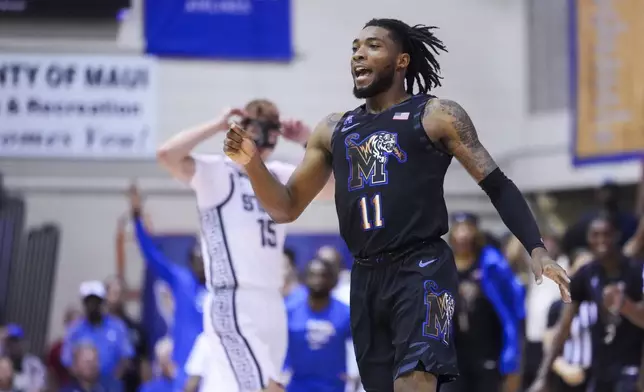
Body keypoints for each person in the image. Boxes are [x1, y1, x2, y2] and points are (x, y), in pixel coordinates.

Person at [223, 18, 570, 392]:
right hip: (366, 276)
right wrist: (251, 164)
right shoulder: (333, 130)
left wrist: (536, 247)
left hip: (422, 268)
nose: (358, 53)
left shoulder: (436, 115)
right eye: (355, 47)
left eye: (372, 45)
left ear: (401, 60)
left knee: (414, 384)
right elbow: (285, 208)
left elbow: (497, 185)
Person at [157, 99, 331, 392]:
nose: (268, 138)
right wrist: (218, 124)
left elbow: (334, 188)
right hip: (233, 298)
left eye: (273, 131)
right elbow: (167, 155)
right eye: (261, 128)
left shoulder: (279, 174)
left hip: (272, 301)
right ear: (245, 129)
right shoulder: (217, 171)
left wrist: (307, 140)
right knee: (267, 388)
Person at [530, 215, 644, 392]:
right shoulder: (587, 273)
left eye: (606, 234)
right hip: (600, 370)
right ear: (588, 239)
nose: (601, 240)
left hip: (632, 369)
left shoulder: (635, 271)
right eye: (595, 235)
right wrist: (543, 377)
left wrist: (625, 306)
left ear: (616, 236)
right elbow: (563, 328)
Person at [128, 185, 205, 392]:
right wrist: (136, 218)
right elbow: (152, 256)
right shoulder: (181, 280)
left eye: (205, 259)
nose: (201, 263)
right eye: (197, 259)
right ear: (190, 261)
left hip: (213, 371)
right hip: (181, 370)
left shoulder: (221, 288)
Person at [441, 213, 524, 392]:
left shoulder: (492, 265)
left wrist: (511, 352)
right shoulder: (443, 265)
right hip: (453, 352)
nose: (463, 236)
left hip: (487, 349)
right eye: (459, 230)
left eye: (468, 230)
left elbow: (513, 306)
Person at [283, 258, 353, 392]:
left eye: (323, 275)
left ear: (332, 280)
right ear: (304, 279)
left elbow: (361, 347)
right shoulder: (290, 311)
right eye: (313, 275)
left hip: (333, 387)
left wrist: (355, 375)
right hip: (296, 386)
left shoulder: (345, 313)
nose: (318, 280)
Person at [61, 281, 134, 387]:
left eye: (96, 302)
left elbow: (126, 358)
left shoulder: (117, 327)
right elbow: (67, 360)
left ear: (102, 303)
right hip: (81, 385)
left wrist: (112, 381)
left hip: (111, 384)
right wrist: (84, 382)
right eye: (89, 302)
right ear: (84, 304)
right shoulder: (75, 329)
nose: (92, 306)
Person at [543, 249, 594, 392]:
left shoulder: (603, 305)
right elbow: (549, 342)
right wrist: (563, 368)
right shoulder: (558, 306)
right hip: (569, 379)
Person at [105, 276, 150, 392]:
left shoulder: (136, 329)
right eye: (114, 293)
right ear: (106, 295)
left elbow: (143, 363)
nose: (117, 297)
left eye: (121, 293)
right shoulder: (97, 326)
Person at [2, 325, 45, 392]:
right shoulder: (2, 363)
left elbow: (39, 386)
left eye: (15, 341)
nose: (12, 344)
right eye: (9, 341)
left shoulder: (33, 364)